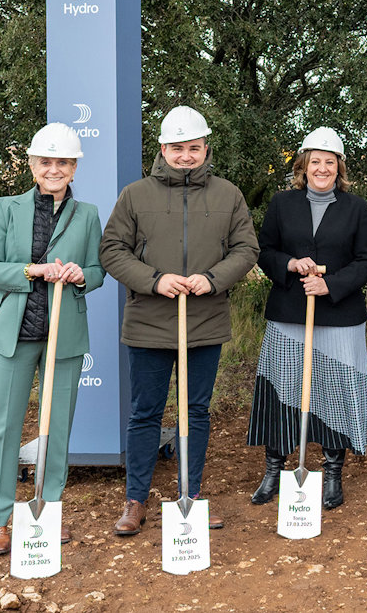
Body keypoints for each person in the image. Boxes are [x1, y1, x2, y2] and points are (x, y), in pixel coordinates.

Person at [100, 106, 259, 535]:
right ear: (163, 149)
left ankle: (191, 493)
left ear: (206, 148)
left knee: (196, 411)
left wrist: (212, 279)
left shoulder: (229, 195)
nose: (186, 156)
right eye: (177, 148)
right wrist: (155, 280)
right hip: (148, 323)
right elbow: (112, 250)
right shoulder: (135, 195)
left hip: (204, 322)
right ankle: (136, 500)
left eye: (193, 148)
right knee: (145, 413)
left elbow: (246, 250)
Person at [0, 123, 105, 555]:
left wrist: (81, 275)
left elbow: (99, 271)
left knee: (56, 429)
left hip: (63, 338)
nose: (54, 169)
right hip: (13, 336)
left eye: (63, 162)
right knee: (4, 429)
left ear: (74, 168)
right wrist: (32, 271)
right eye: (46, 161)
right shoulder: (6, 208)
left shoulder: (86, 213)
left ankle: (47, 510)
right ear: (32, 165)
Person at [247, 126, 367, 510]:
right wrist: (289, 263)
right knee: (281, 392)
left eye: (330, 162)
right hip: (290, 313)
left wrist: (330, 285)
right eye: (315, 161)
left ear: (340, 167)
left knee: (335, 393)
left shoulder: (357, 208)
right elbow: (264, 250)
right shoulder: (281, 204)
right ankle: (275, 469)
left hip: (340, 317)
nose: (322, 168)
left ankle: (333, 473)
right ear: (303, 166)